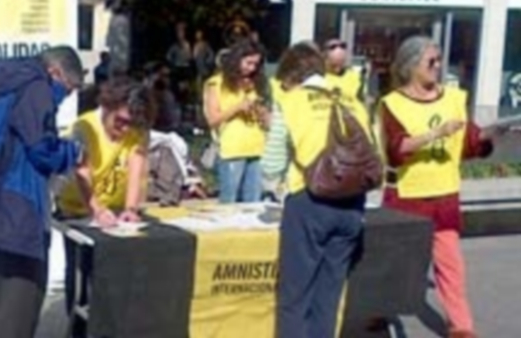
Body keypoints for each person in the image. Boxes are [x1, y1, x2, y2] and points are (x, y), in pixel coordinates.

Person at [379, 36, 500, 338]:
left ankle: (461, 326)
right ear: (410, 66)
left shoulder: (453, 99)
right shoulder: (393, 104)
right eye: (430, 61)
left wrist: (489, 134)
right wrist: (436, 133)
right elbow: (396, 149)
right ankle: (379, 310)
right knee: (396, 264)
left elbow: (468, 142)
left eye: (439, 60)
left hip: (444, 197)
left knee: (451, 266)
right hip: (407, 198)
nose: (437, 66)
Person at [0, 46, 85, 338]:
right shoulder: (35, 88)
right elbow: (42, 150)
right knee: (19, 310)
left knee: (4, 307)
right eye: (68, 89)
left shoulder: (7, 86)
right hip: (18, 212)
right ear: (55, 72)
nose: (65, 98)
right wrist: (73, 151)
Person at [262, 42, 371, 338]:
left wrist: (276, 186)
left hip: (309, 201)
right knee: (328, 296)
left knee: (295, 298)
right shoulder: (351, 101)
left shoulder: (292, 103)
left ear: (291, 77)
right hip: (352, 204)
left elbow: (271, 166)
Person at [55, 76, 156, 338]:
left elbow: (136, 166)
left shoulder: (136, 128)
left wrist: (131, 208)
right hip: (77, 208)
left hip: (115, 209)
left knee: (115, 274)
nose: (124, 128)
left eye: (130, 123)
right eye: (120, 121)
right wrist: (97, 210)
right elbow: (82, 172)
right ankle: (77, 330)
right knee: (80, 271)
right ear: (108, 106)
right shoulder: (84, 127)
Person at [203, 39, 269, 203]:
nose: (251, 68)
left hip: (256, 147)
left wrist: (262, 112)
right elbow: (212, 119)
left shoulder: (254, 84)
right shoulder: (216, 83)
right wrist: (237, 108)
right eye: (248, 63)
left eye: (256, 64)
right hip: (232, 149)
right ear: (237, 59)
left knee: (253, 201)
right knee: (229, 201)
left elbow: (267, 120)